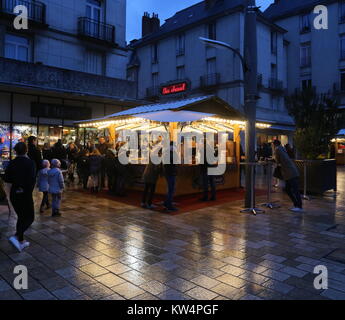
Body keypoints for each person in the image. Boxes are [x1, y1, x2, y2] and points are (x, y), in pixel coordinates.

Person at [4, 142, 36, 252]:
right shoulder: (30, 163)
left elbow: (7, 178)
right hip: (25, 193)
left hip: (15, 193)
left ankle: (21, 241)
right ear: (26, 150)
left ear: (16, 151)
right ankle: (17, 236)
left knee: (21, 216)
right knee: (30, 217)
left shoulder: (12, 163)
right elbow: (32, 179)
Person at [273, 140, 303, 213]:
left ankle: (299, 206)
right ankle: (296, 205)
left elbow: (278, 161)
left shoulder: (277, 149)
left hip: (289, 173)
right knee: (288, 189)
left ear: (274, 144)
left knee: (294, 190)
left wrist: (273, 160)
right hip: (292, 171)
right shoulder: (282, 148)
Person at [163, 142, 178, 212]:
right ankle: (169, 205)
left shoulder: (166, 153)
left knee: (170, 189)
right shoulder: (171, 154)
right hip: (171, 173)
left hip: (168, 173)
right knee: (171, 190)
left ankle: (166, 203)